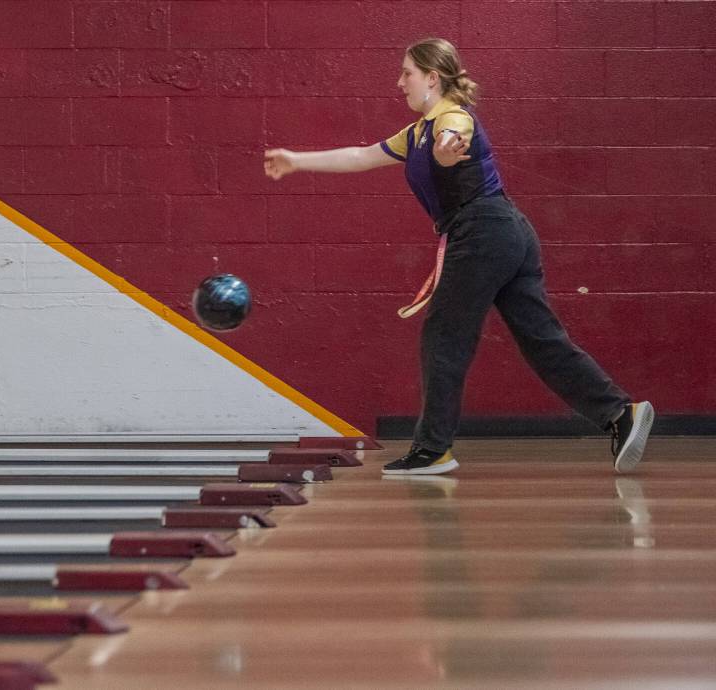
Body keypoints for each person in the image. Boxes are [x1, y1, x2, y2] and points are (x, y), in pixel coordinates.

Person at [263, 37, 653, 475]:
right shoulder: (414, 134)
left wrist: (448, 147)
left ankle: (433, 450)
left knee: (444, 336)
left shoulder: (450, 118)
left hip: (483, 233)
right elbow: (361, 156)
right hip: (509, 233)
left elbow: (455, 133)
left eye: (407, 73)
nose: (399, 82)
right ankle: (621, 413)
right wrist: (297, 160)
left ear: (432, 78)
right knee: (542, 342)